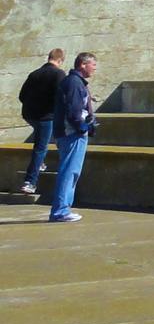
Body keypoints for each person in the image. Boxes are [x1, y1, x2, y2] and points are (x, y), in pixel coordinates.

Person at [49, 51, 98, 223]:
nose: (95, 69)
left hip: (70, 133)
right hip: (72, 134)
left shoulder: (74, 82)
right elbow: (74, 112)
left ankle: (63, 209)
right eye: (93, 65)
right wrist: (84, 127)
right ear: (83, 64)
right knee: (69, 171)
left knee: (72, 171)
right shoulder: (74, 83)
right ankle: (60, 211)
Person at [17, 48, 65, 196]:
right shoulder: (59, 74)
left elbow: (22, 95)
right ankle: (30, 182)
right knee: (40, 148)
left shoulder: (34, 74)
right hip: (46, 117)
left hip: (29, 115)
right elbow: (61, 96)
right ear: (60, 60)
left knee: (40, 141)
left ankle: (40, 163)